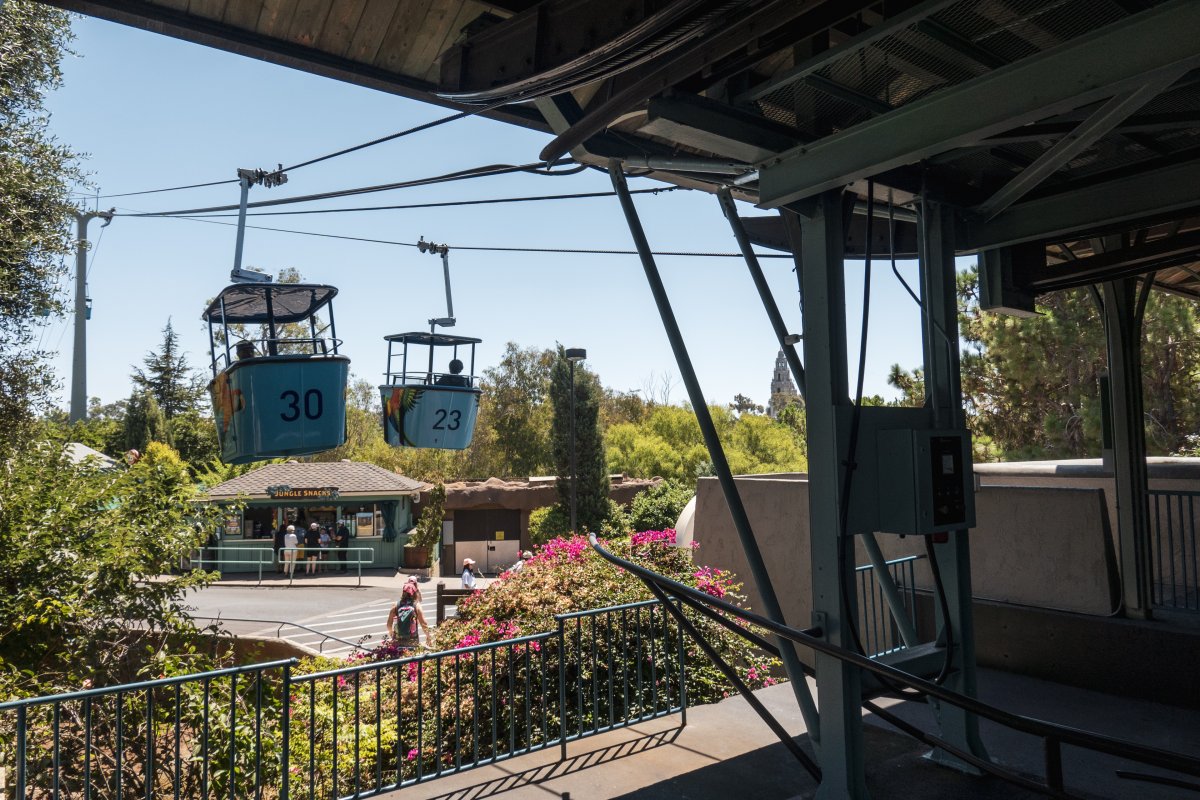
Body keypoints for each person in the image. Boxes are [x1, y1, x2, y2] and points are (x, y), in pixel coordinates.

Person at [386, 580, 432, 649]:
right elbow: (424, 624)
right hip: (412, 640)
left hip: (398, 639)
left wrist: (391, 632)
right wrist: (428, 636)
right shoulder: (416, 606)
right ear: (414, 593)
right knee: (412, 658)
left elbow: (389, 624)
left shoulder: (395, 605)